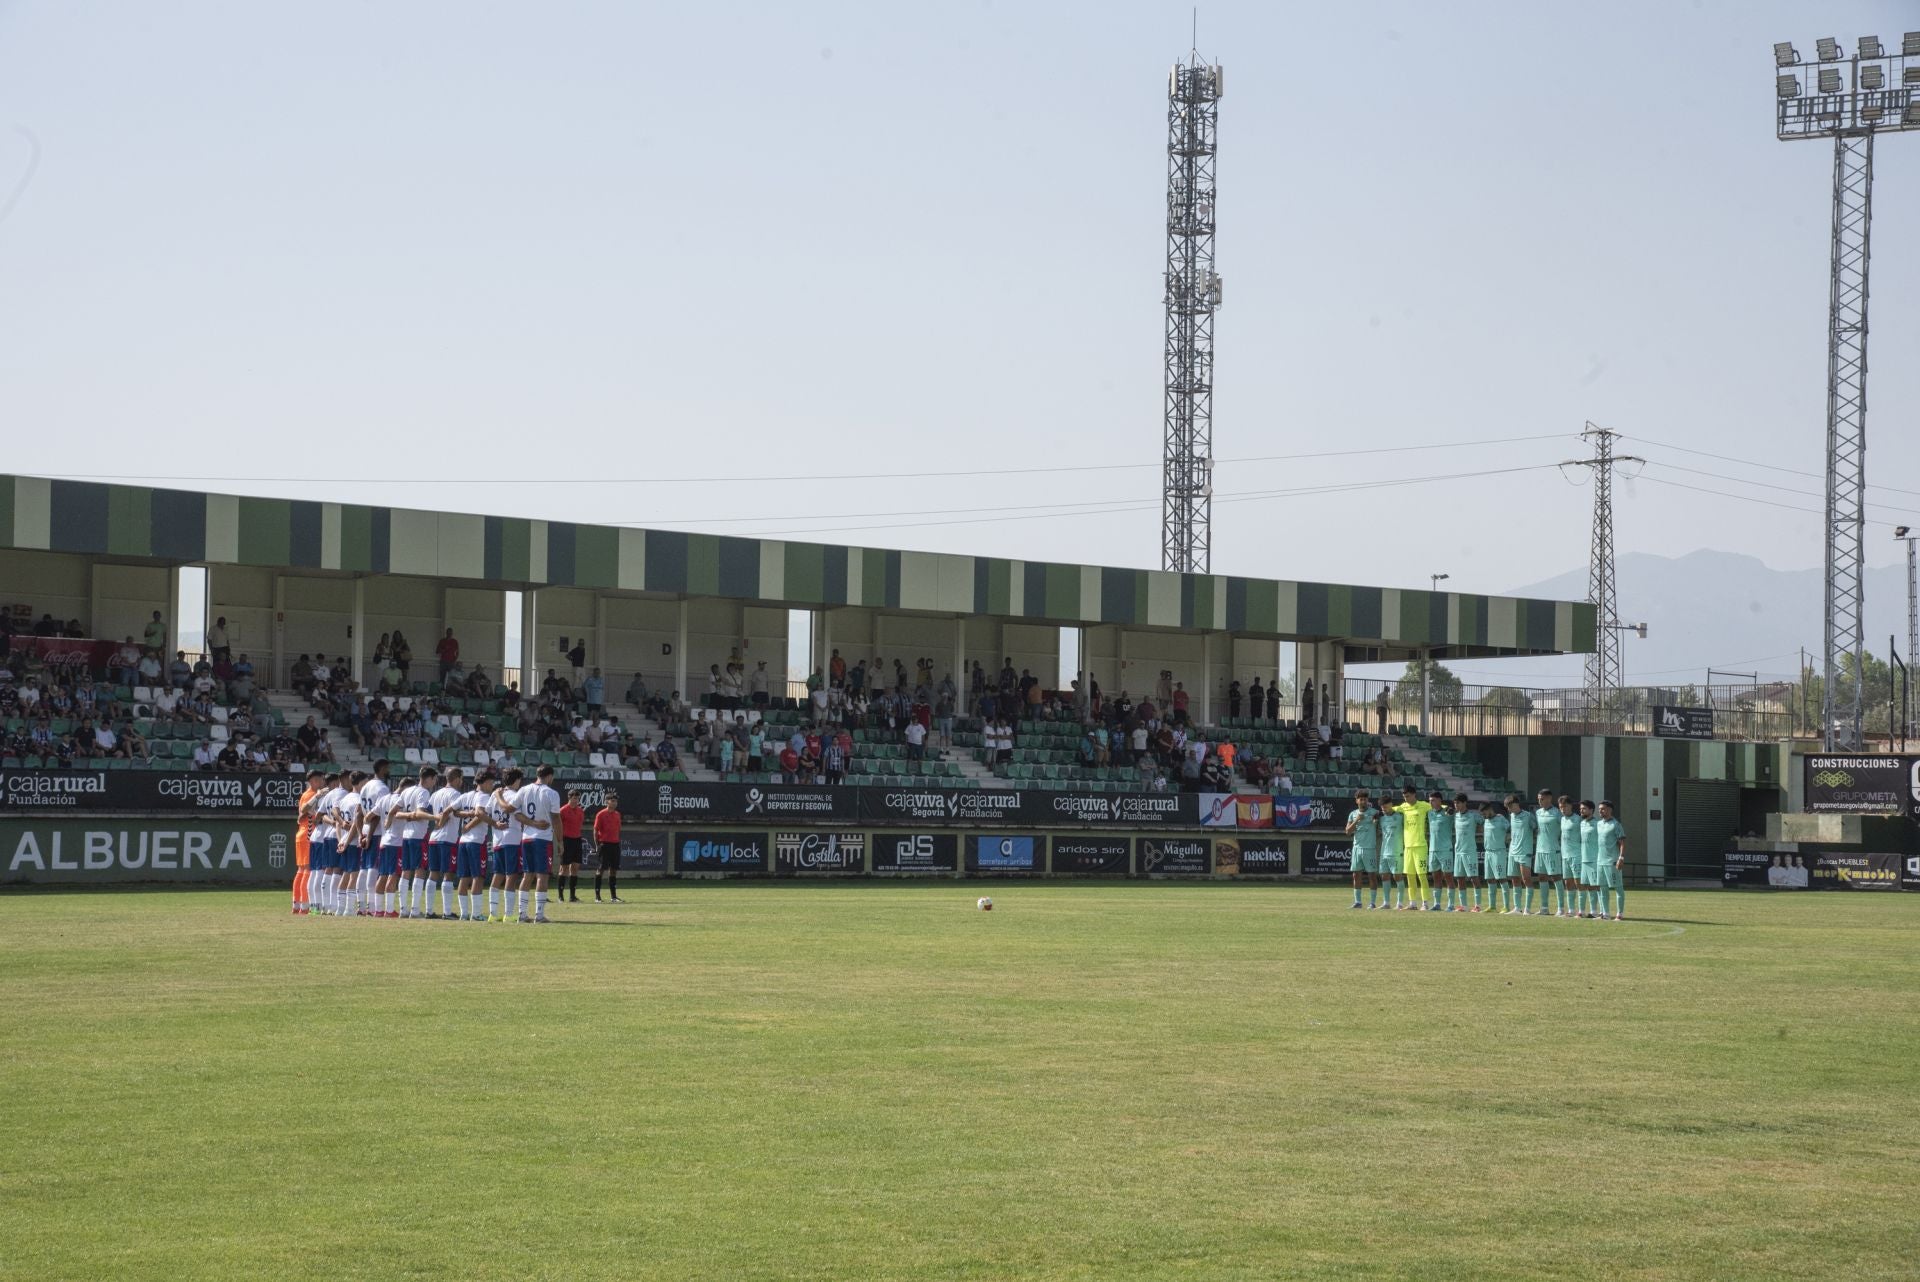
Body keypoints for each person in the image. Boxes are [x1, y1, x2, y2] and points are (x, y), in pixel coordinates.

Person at [513, 764, 562, 923]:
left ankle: (522, 914)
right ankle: (539, 915)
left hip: (526, 837)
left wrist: (531, 823)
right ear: (550, 776)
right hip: (543, 839)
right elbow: (556, 819)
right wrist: (560, 841)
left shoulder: (524, 790)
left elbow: (515, 813)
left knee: (527, 875)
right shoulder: (552, 793)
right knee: (542, 876)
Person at [425, 766, 467, 920]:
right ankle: (447, 912)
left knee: (433, 873)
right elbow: (449, 814)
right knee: (448, 874)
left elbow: (430, 812)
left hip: (434, 838)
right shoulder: (456, 794)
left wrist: (438, 822)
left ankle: (429, 911)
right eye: (461, 779)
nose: (462, 782)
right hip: (448, 838)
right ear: (456, 778)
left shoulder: (435, 794)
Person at [453, 769, 496, 922]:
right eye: (491, 783)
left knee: (464, 877)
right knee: (478, 877)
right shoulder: (484, 796)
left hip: (463, 841)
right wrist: (469, 826)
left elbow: (454, 811)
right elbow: (479, 814)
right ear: (483, 783)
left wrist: (465, 819)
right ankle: (476, 914)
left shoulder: (465, 796)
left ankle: (464, 913)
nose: (492, 786)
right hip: (476, 841)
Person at [487, 769, 525, 923]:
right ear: (516, 780)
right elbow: (515, 813)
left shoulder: (494, 794)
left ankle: (492, 913)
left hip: (497, 839)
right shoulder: (516, 795)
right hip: (512, 837)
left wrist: (495, 823)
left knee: (498, 874)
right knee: (512, 875)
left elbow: (486, 813)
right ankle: (508, 914)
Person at [1393, 785, 1432, 910]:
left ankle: (1425, 903)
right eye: (1404, 797)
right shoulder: (1403, 807)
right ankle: (1412, 903)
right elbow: (1390, 809)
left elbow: (1438, 806)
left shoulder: (1424, 805)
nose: (1406, 799)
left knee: (1422, 875)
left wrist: (1447, 808)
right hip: (1408, 847)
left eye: (1408, 796)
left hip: (1420, 846)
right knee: (1409, 876)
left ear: (1414, 794)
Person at [292, 769, 322, 916]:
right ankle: (304, 905)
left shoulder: (305, 795)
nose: (321, 782)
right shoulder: (311, 795)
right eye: (318, 780)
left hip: (301, 833)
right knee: (307, 871)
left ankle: (296, 904)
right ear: (312, 781)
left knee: (300, 871)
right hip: (308, 834)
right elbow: (314, 816)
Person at [1346, 790, 1382, 909]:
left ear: (1368, 800)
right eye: (1360, 799)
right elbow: (1347, 831)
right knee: (1356, 875)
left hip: (1369, 849)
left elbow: (1379, 828)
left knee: (1372, 875)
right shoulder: (1353, 814)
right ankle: (1358, 902)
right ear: (1357, 801)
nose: (1363, 801)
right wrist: (1357, 820)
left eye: (1365, 799)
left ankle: (1372, 902)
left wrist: (1375, 822)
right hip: (1357, 848)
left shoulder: (1375, 812)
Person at [1505, 793, 1537, 915]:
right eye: (1507, 807)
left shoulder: (1528, 816)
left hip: (1524, 851)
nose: (1509, 809)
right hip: (1512, 851)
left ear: (1517, 804)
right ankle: (1517, 908)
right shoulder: (1511, 816)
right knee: (1514, 879)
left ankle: (1527, 909)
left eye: (1510, 806)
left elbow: (1535, 829)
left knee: (1526, 879)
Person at [1594, 800, 1627, 920]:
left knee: (1618, 887)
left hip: (1612, 861)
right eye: (1599, 809)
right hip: (1600, 861)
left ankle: (1620, 914)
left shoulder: (1616, 824)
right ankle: (1606, 914)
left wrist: (1621, 858)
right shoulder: (1598, 824)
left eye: (1602, 809)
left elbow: (1622, 842)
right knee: (1602, 888)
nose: (1600, 811)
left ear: (1609, 810)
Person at [1532, 789, 1563, 915]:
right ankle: (1544, 908)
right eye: (1538, 798)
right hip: (1540, 850)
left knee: (1556, 877)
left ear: (1549, 799)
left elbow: (1564, 829)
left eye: (1542, 798)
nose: (1539, 801)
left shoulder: (1557, 813)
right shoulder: (1538, 812)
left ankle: (1561, 909)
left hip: (1553, 850)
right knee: (1542, 877)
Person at [1428, 790, 1457, 911]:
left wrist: (1451, 810)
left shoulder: (1448, 813)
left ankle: (1451, 905)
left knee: (1448, 876)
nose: (1431, 803)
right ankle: (1437, 904)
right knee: (1436, 877)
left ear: (1440, 800)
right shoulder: (1430, 813)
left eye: (1433, 800)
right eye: (1430, 801)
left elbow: (1457, 813)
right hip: (1433, 850)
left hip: (1445, 849)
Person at [556, 789, 586, 903]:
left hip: (577, 840)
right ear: (569, 798)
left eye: (577, 798)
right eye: (574, 798)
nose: (576, 800)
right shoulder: (562, 810)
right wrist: (560, 842)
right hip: (566, 840)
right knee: (563, 868)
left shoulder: (580, 811)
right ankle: (560, 896)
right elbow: (558, 826)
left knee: (575, 867)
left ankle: (572, 896)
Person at [593, 796, 624, 902]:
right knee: (601, 869)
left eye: (616, 801)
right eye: (613, 801)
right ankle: (597, 896)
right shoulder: (600, 814)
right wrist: (597, 844)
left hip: (615, 845)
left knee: (613, 870)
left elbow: (618, 829)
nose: (615, 803)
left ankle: (613, 897)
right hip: (604, 844)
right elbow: (595, 830)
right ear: (607, 802)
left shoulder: (617, 814)